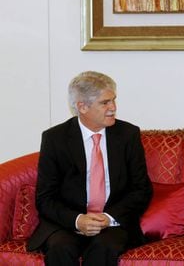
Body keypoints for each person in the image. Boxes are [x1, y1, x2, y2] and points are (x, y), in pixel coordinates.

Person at [27, 71, 153, 265]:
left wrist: (107, 217)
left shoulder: (127, 134)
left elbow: (141, 189)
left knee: (105, 247)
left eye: (113, 100)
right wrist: (77, 220)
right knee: (60, 248)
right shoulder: (55, 138)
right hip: (68, 222)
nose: (113, 108)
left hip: (112, 222)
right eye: (105, 103)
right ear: (82, 106)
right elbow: (45, 198)